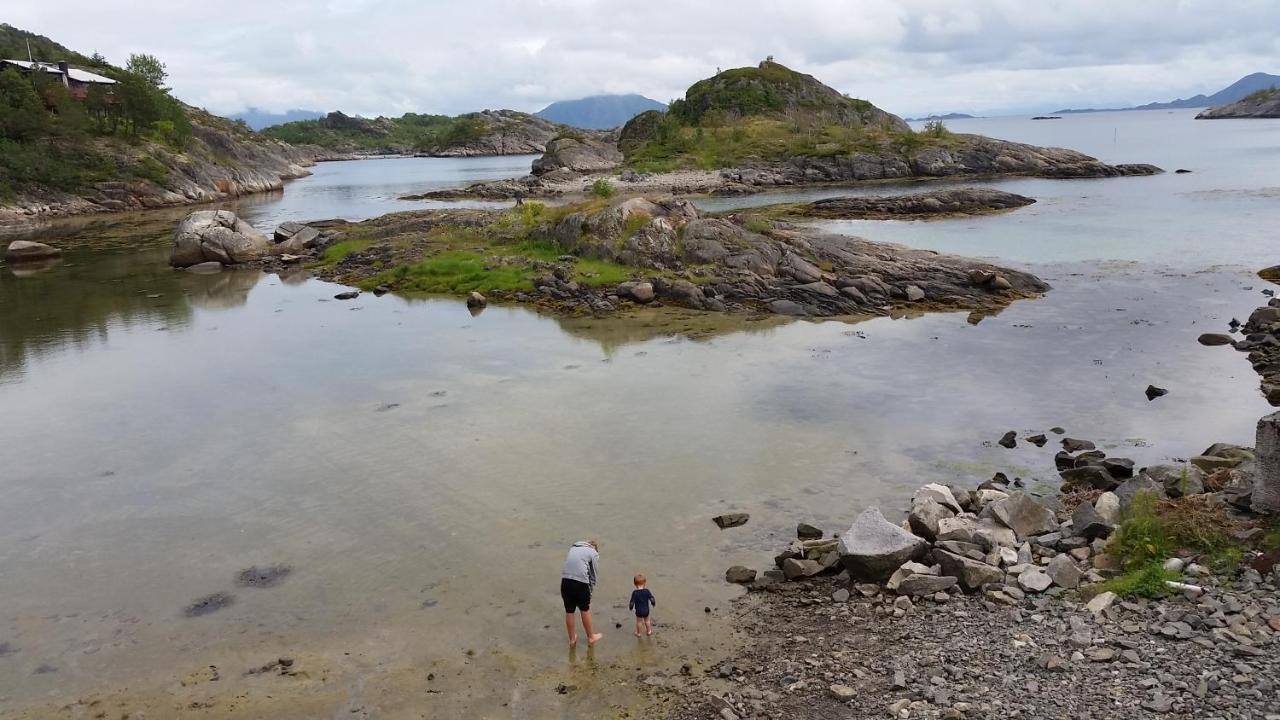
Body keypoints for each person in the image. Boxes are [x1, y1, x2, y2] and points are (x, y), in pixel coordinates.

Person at [560, 540, 602, 647]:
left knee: (569, 611)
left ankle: (572, 639)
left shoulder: (573, 548)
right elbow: (594, 576)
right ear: (595, 548)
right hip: (580, 583)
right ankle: (591, 637)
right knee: (585, 609)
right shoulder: (594, 553)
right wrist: (590, 591)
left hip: (565, 581)